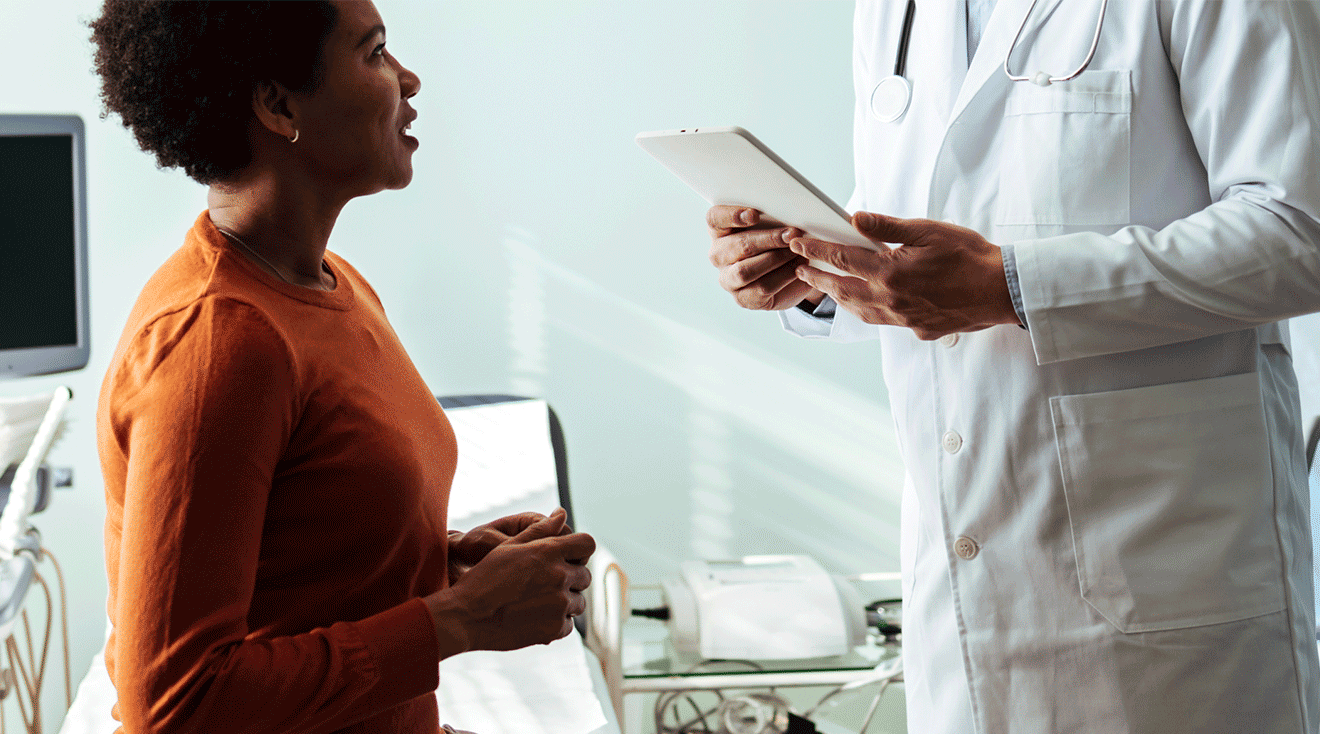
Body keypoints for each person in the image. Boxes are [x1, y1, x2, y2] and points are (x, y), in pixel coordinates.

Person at [707, 1, 1320, 732]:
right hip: (959, 587)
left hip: (1166, 584)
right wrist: (812, 269)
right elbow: (923, 209)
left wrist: (1010, 286)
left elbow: (1298, 232)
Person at [88, 2, 595, 733]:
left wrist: (439, 562)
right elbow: (174, 705)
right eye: (376, 52)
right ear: (277, 103)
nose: (409, 79)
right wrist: (456, 620)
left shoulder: (332, 283)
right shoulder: (217, 340)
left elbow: (298, 565)